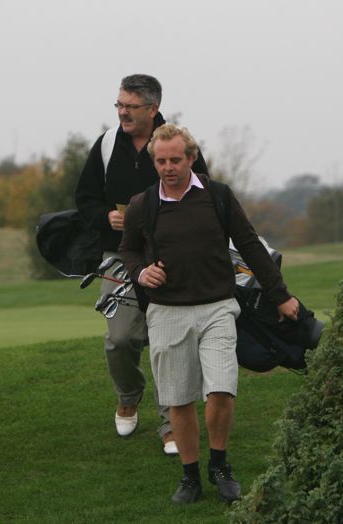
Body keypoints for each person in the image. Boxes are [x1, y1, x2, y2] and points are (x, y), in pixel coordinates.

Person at [119, 123, 299, 503]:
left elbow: (250, 246)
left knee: (220, 390)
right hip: (167, 313)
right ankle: (190, 476)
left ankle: (219, 464)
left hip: (218, 307)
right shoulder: (142, 205)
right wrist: (140, 272)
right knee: (179, 399)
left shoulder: (217, 196)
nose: (168, 167)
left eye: (175, 159)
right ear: (154, 161)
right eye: (161, 160)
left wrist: (280, 295)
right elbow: (129, 251)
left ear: (191, 158)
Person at [75, 74, 209, 453]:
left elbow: (203, 194)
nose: (122, 113)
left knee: (168, 342)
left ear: (152, 109)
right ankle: (129, 396)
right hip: (119, 256)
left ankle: (170, 425)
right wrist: (106, 217)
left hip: (171, 257)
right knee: (120, 339)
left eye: (130, 107)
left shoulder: (176, 143)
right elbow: (85, 198)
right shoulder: (105, 145)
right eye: (119, 105)